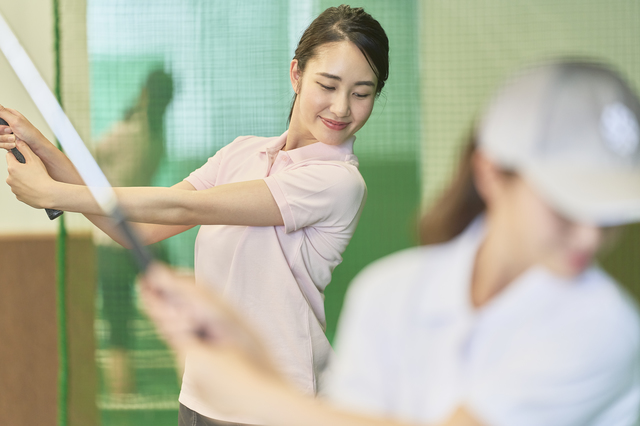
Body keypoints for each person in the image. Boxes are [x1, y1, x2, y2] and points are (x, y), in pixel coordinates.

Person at [141, 60, 640, 426]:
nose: (592, 236)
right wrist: (243, 347)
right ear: (491, 174)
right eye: (565, 206)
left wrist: (250, 386)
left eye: (610, 213)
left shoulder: (602, 325)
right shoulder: (389, 293)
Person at [0, 5, 389, 425]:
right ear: (296, 74)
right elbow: (139, 228)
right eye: (328, 85)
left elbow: (186, 206)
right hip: (202, 396)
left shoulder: (339, 182)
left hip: (277, 406)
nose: (341, 108)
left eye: (361, 93)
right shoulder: (242, 152)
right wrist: (40, 147)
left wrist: (52, 193)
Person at [93, 69, 173, 396]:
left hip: (112, 241)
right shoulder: (157, 136)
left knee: (118, 327)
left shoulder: (127, 131)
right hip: (144, 237)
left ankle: (121, 393)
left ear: (144, 93)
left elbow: (88, 159)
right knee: (174, 318)